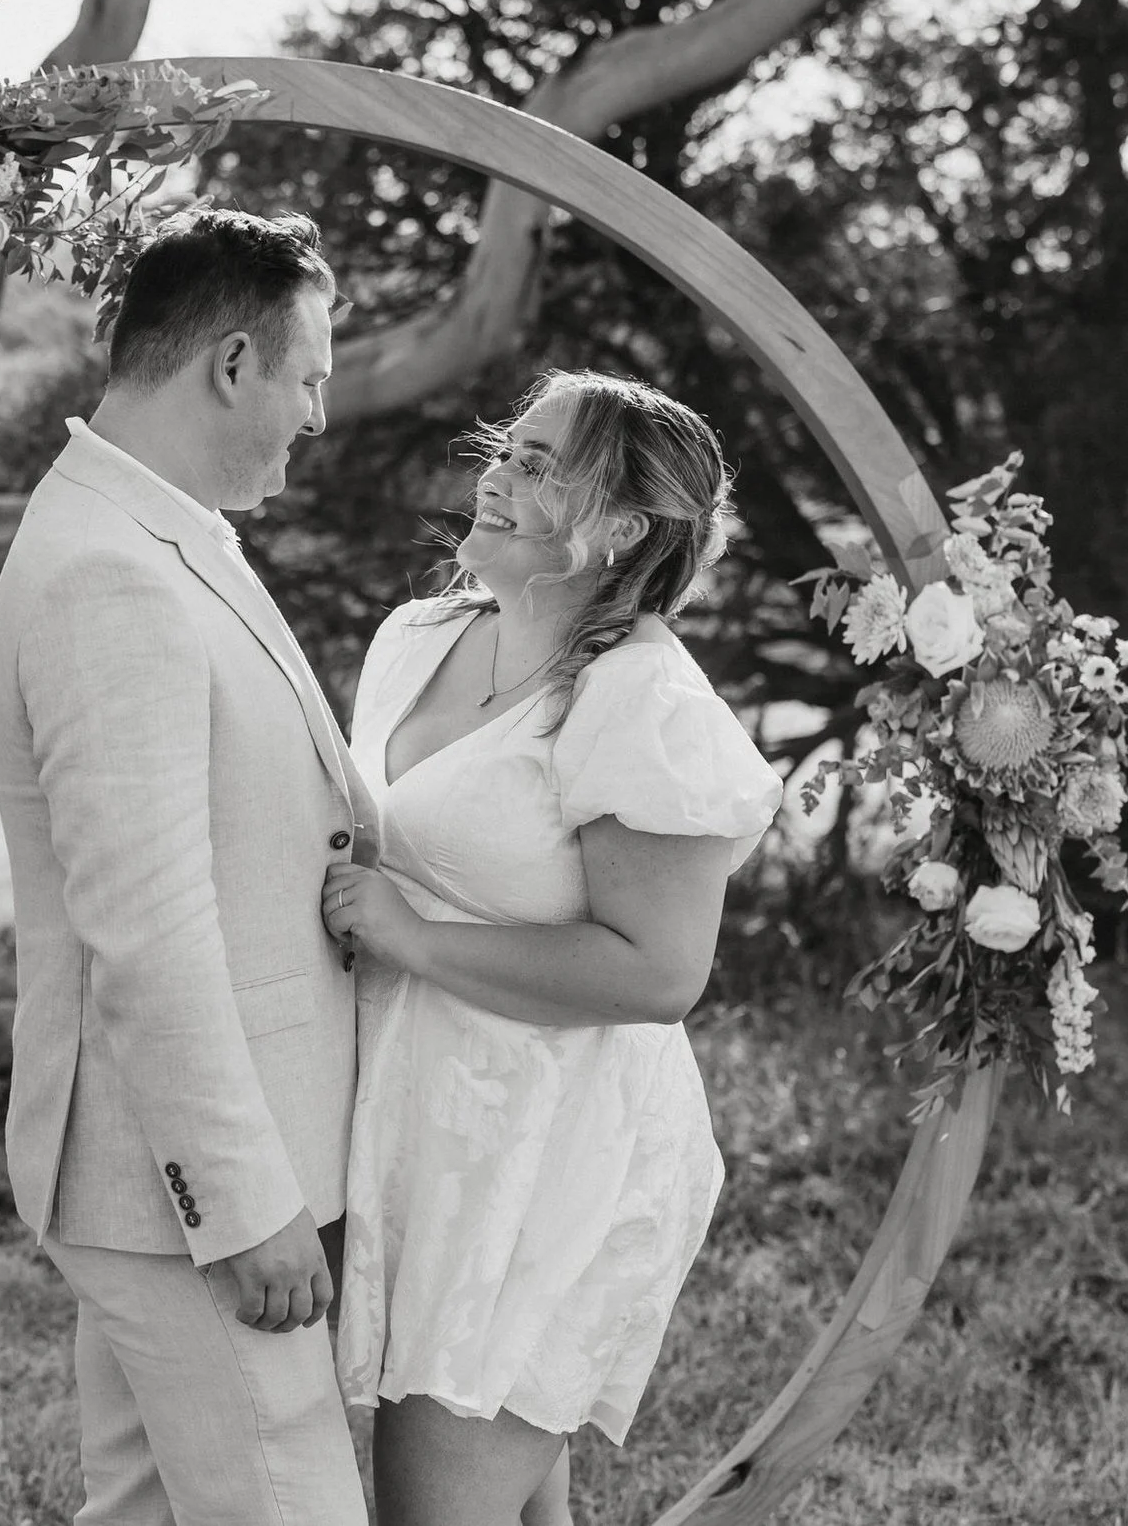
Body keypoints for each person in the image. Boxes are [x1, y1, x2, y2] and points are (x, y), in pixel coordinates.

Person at [320, 370, 785, 1526]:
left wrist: (409, 934)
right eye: (505, 448)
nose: (497, 474)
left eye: (539, 465)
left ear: (621, 529)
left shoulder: (640, 701)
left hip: (554, 1148)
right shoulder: (417, 635)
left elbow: (657, 972)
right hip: (424, 1117)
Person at [0, 208, 381, 1526]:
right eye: (308, 376)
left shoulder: (163, 531)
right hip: (180, 1192)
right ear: (232, 361)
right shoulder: (112, 572)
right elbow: (144, 928)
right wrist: (246, 1203)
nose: (316, 416)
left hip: (164, 1175)